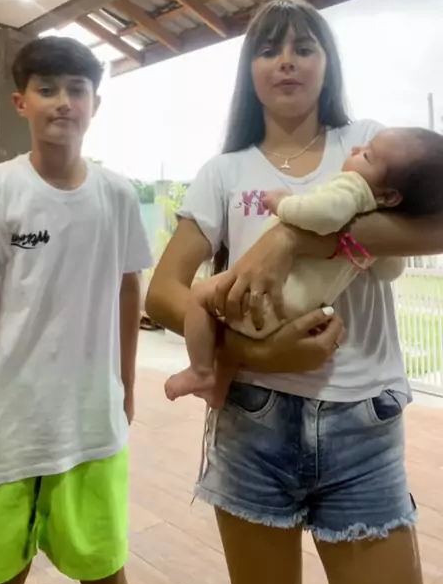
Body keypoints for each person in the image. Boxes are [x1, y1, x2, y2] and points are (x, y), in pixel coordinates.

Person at [147, 0, 443, 584]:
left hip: (363, 417)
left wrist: (288, 238)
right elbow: (162, 293)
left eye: (304, 48)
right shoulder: (223, 171)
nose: (286, 61)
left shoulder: (368, 143)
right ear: (249, 72)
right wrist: (254, 353)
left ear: (327, 63)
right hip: (251, 418)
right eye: (268, 50)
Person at [0, 37, 152, 584]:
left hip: (90, 419)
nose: (63, 102)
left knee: (105, 570)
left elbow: (129, 292)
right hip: (3, 423)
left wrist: (126, 384)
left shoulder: (117, 195)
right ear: (21, 102)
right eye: (47, 90)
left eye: (76, 90)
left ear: (95, 104)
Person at [164, 125, 443, 406]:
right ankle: (217, 388)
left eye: (367, 156)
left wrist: (283, 204)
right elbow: (389, 272)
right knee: (232, 330)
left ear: (390, 196)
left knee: (199, 297)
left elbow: (321, 214)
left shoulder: (353, 186)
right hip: (299, 309)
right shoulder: (380, 213)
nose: (356, 149)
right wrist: (379, 247)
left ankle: (200, 371)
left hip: (271, 297)